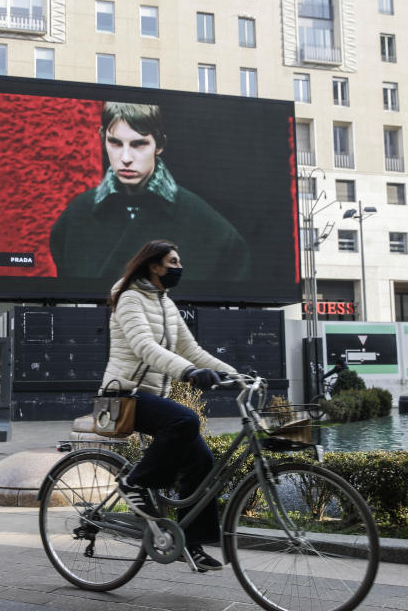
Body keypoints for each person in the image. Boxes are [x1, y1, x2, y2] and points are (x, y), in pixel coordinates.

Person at [101, 239, 237, 572]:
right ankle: (136, 483)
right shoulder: (129, 297)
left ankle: (192, 543)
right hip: (123, 395)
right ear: (154, 265)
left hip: (151, 398)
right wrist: (188, 373)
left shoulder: (165, 303)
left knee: (203, 462)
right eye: (173, 262)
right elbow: (145, 347)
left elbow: (192, 350)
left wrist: (235, 374)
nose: (179, 267)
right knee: (186, 420)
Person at [49, 102, 249, 282]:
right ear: (103, 139)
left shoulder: (210, 227)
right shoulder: (75, 217)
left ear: (159, 144)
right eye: (115, 143)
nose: (125, 158)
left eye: (139, 144)